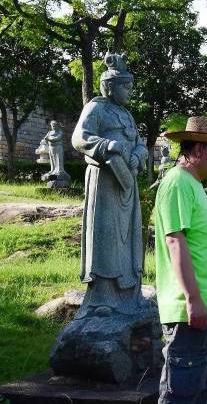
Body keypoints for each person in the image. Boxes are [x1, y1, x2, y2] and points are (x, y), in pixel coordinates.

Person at [154, 116, 207, 403]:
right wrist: (192, 299)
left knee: (198, 390)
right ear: (199, 150)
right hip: (188, 308)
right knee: (182, 392)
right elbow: (174, 241)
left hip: (203, 304)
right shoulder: (177, 183)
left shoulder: (193, 183)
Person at [71, 53, 148, 318]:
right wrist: (107, 145)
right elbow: (79, 138)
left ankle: (128, 293)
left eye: (131, 86)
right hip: (105, 179)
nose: (130, 92)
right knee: (105, 234)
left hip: (127, 182)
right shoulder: (96, 108)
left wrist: (138, 154)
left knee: (127, 236)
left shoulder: (127, 115)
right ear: (110, 86)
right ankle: (102, 297)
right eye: (125, 86)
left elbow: (139, 142)